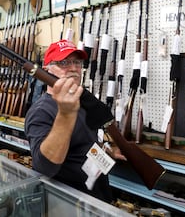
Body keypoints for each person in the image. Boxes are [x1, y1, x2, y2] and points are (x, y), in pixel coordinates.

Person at [24, 39, 122, 203]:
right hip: (68, 204)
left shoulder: (83, 102)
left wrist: (108, 151)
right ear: (47, 69)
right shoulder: (40, 111)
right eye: (63, 62)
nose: (74, 68)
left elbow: (83, 142)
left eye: (77, 62)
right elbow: (44, 167)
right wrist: (66, 114)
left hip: (97, 200)